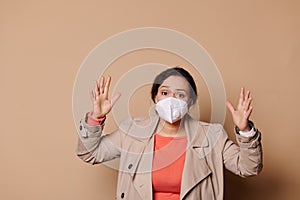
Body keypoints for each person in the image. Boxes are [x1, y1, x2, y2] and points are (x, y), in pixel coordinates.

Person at [76, 67, 263, 200]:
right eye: (165, 93)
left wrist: (245, 131)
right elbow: (89, 153)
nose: (172, 100)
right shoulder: (133, 131)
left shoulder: (211, 135)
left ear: (190, 102)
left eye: (180, 95)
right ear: (155, 98)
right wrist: (96, 118)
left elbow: (248, 168)